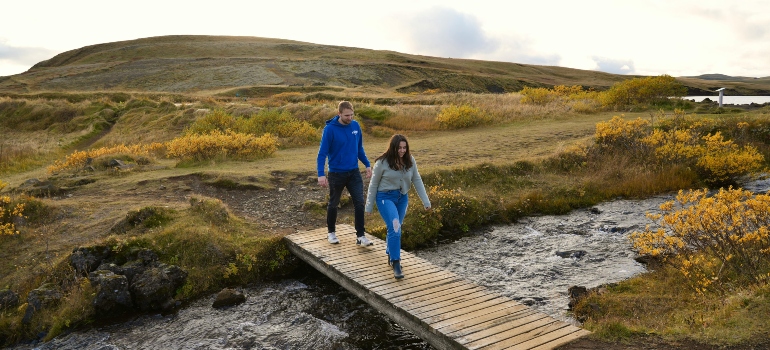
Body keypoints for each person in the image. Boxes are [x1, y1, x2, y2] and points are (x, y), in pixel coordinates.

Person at [365, 134, 431, 279]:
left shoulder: (410, 160)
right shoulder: (381, 163)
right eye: (399, 148)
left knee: (396, 227)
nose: (402, 151)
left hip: (402, 198)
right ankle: (396, 263)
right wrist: (369, 206)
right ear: (393, 148)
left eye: (404, 147)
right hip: (385, 197)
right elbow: (373, 184)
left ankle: (390, 253)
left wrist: (426, 201)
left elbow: (417, 180)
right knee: (395, 227)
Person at [317, 101, 373, 246]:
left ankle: (361, 236)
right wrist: (321, 174)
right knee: (334, 204)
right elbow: (322, 154)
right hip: (336, 173)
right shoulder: (329, 129)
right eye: (346, 115)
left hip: (354, 172)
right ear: (339, 114)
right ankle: (331, 233)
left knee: (359, 203)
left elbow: (359, 148)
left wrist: (367, 165)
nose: (349, 118)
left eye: (351, 115)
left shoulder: (355, 126)